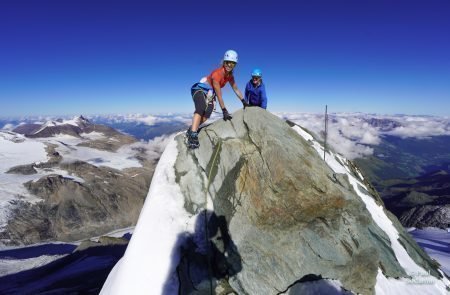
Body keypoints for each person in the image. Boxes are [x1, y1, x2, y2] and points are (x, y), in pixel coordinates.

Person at [186, 50, 247, 149]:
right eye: (227, 62)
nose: (229, 65)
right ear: (224, 62)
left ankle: (193, 128)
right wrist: (224, 110)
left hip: (210, 93)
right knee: (201, 108)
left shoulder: (230, 76)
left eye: (232, 63)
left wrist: (244, 101)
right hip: (201, 88)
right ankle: (193, 135)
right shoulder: (217, 75)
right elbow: (219, 95)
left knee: (207, 114)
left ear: (235, 65)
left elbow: (235, 89)